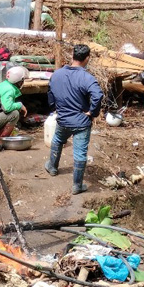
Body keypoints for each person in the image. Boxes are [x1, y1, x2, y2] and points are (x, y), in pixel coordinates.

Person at [46, 44, 104, 195]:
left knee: (58, 140)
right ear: (87, 59)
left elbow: (50, 92)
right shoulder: (86, 77)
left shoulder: (57, 74)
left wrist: (54, 108)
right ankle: (77, 185)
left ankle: (52, 167)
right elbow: (98, 95)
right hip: (80, 123)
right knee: (80, 153)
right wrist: (92, 112)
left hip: (63, 119)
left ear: (72, 56)